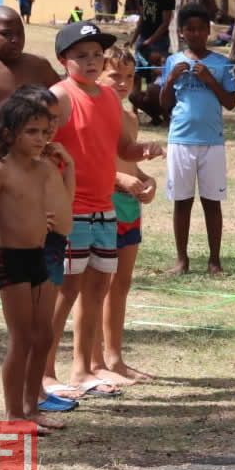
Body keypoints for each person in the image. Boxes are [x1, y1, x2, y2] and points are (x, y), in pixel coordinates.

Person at [44, 22, 162, 400]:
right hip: (69, 211)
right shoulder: (58, 97)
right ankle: (44, 374)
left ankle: (84, 368)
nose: (91, 61)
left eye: (96, 54)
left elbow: (123, 148)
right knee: (63, 293)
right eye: (81, 55)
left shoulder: (110, 99)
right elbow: (39, 149)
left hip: (104, 210)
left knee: (96, 288)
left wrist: (143, 151)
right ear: (64, 60)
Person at [0, 94, 71, 434]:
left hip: (40, 258)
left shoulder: (45, 168)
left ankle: (31, 407)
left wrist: (67, 167)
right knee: (22, 337)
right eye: (32, 131)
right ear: (10, 134)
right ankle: (13, 414)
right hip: (10, 261)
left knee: (43, 336)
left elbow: (64, 207)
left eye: (44, 131)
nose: (41, 138)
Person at [0, 6, 60, 341]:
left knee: (30, 228)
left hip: (26, 161)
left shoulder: (38, 66)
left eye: (19, 31)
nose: (15, 38)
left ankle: (30, 309)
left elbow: (60, 100)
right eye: (6, 33)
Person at [160, 4, 235, 276]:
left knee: (211, 202)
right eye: (189, 29)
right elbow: (164, 104)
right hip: (180, 140)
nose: (195, 34)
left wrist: (208, 79)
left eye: (200, 29)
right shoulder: (173, 61)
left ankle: (214, 261)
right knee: (182, 202)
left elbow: (230, 102)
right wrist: (170, 79)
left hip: (212, 142)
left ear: (208, 31)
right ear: (181, 32)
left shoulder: (220, 63)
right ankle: (182, 261)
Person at [97, 47, 155, 382]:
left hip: (128, 208)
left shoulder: (130, 118)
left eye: (129, 77)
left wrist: (147, 182)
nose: (123, 83)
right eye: (115, 75)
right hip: (100, 205)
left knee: (121, 284)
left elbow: (128, 163)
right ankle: (92, 362)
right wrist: (119, 179)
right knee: (95, 286)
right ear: (99, 74)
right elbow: (89, 165)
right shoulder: (91, 113)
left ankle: (114, 357)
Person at [132, 0, 176, 64]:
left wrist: (149, 42)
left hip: (159, 41)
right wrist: (133, 39)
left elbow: (165, 24)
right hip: (143, 38)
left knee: (155, 72)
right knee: (138, 70)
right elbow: (142, 18)